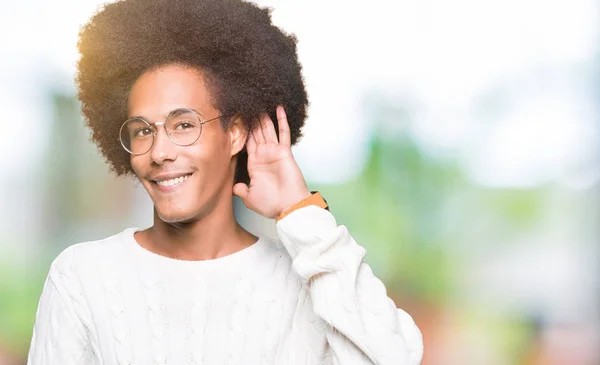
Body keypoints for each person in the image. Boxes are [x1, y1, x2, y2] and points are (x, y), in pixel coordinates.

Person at [26, 0, 423, 364]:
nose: (160, 151)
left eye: (184, 125)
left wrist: (301, 211)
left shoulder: (305, 282)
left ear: (234, 134)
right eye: (143, 130)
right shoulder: (82, 276)